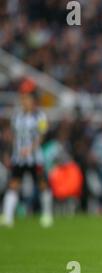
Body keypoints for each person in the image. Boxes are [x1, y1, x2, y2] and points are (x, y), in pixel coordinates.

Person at [0, 79, 53, 228]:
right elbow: (13, 137)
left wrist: (30, 149)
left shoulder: (40, 116)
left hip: (35, 158)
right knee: (13, 185)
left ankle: (47, 215)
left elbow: (42, 136)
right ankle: (8, 216)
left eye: (27, 98)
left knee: (42, 184)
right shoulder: (16, 117)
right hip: (19, 158)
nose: (24, 101)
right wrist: (8, 153)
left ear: (33, 100)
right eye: (23, 98)